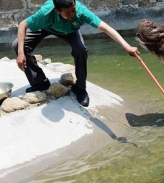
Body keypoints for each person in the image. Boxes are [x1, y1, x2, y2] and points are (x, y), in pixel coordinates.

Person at [12, 0, 140, 107]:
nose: (72, 14)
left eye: (73, 10)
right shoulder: (46, 13)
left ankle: (80, 88)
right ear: (57, 11)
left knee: (81, 49)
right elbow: (23, 25)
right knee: (17, 45)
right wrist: (21, 53)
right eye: (67, 12)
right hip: (46, 27)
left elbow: (105, 27)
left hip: (69, 31)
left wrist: (126, 46)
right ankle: (39, 81)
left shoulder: (80, 11)